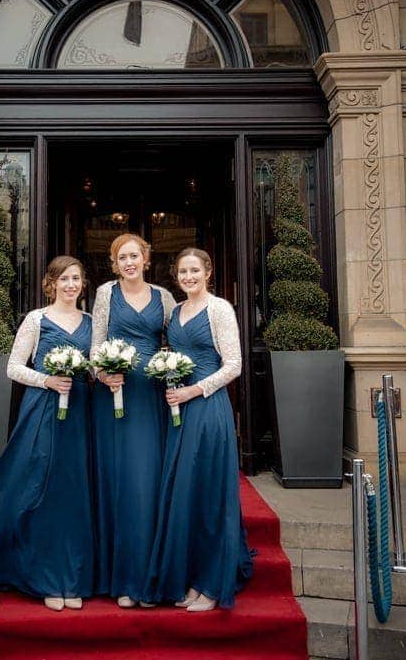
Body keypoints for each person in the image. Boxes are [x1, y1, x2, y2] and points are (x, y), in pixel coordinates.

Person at [0, 256, 95, 611]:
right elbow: (13, 367)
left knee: (74, 492)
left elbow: (94, 367)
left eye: (76, 278)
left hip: (80, 412)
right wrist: (47, 380)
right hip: (43, 410)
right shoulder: (36, 319)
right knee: (41, 488)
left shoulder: (92, 323)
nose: (70, 285)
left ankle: (71, 576)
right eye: (63, 279)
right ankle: (45, 576)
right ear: (51, 284)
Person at [142, 247, 253, 610]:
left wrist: (194, 389)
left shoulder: (219, 308)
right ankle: (191, 578)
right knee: (184, 493)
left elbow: (233, 364)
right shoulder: (175, 311)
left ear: (208, 272)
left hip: (207, 407)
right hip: (179, 410)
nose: (188, 276)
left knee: (208, 493)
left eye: (194, 270)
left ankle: (211, 583)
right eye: (182, 271)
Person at [91, 234, 176, 607]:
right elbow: (96, 344)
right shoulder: (105, 294)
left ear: (146, 259)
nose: (128, 262)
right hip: (117, 398)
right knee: (124, 482)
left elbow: (176, 341)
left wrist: (174, 371)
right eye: (121, 257)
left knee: (152, 482)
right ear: (114, 263)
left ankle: (154, 574)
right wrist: (102, 374)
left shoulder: (165, 297)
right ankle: (124, 577)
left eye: (134, 256)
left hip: (155, 398)